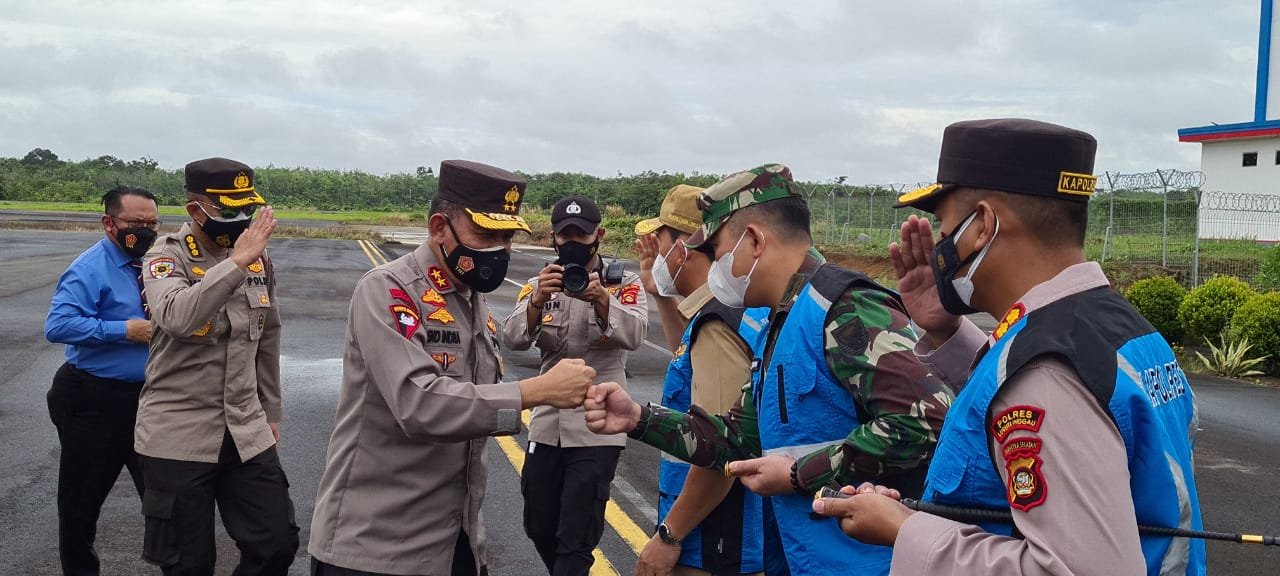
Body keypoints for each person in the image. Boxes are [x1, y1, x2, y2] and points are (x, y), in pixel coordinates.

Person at [811, 118, 1207, 576]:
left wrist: (905, 530)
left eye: (946, 230)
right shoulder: (1121, 328)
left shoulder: (1045, 373)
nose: (939, 249)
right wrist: (946, 331)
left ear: (982, 225)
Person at [584, 164, 954, 576]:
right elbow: (736, 438)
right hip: (801, 560)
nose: (715, 266)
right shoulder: (780, 319)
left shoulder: (845, 309)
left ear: (755, 240)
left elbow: (925, 422)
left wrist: (799, 474)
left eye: (717, 252)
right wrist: (638, 418)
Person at [309, 160, 600, 576]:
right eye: (486, 235)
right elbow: (419, 404)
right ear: (439, 228)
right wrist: (536, 391)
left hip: (455, 541)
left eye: (507, 238)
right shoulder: (389, 291)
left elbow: (474, 405)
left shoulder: (471, 298)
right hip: (376, 548)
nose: (499, 250)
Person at [136, 158, 298, 575]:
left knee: (276, 542)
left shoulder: (259, 260)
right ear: (196, 210)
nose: (242, 220)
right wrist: (236, 263)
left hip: (245, 427)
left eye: (248, 209)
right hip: (179, 431)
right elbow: (176, 317)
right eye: (229, 210)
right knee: (187, 562)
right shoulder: (166, 256)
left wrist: (270, 411)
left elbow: (268, 336)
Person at [501, 195, 649, 576]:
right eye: (564, 235)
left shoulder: (622, 283)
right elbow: (512, 338)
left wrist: (602, 299)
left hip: (598, 423)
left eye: (581, 235)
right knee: (538, 523)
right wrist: (537, 301)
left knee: (576, 535)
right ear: (552, 237)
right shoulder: (539, 283)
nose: (572, 243)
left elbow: (636, 334)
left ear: (598, 235)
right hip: (548, 422)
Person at [632, 184, 769, 576]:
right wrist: (660, 294)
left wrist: (669, 535)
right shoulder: (731, 309)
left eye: (659, 242)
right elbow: (688, 358)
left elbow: (722, 449)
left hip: (713, 541)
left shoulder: (717, 324)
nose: (655, 254)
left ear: (681, 248)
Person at [44, 185, 158, 576]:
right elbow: (58, 325)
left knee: (167, 502)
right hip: (94, 400)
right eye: (136, 223)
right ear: (109, 223)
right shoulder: (89, 268)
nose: (145, 231)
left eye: (152, 224)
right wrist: (123, 330)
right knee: (80, 505)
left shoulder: (154, 263)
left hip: (150, 400)